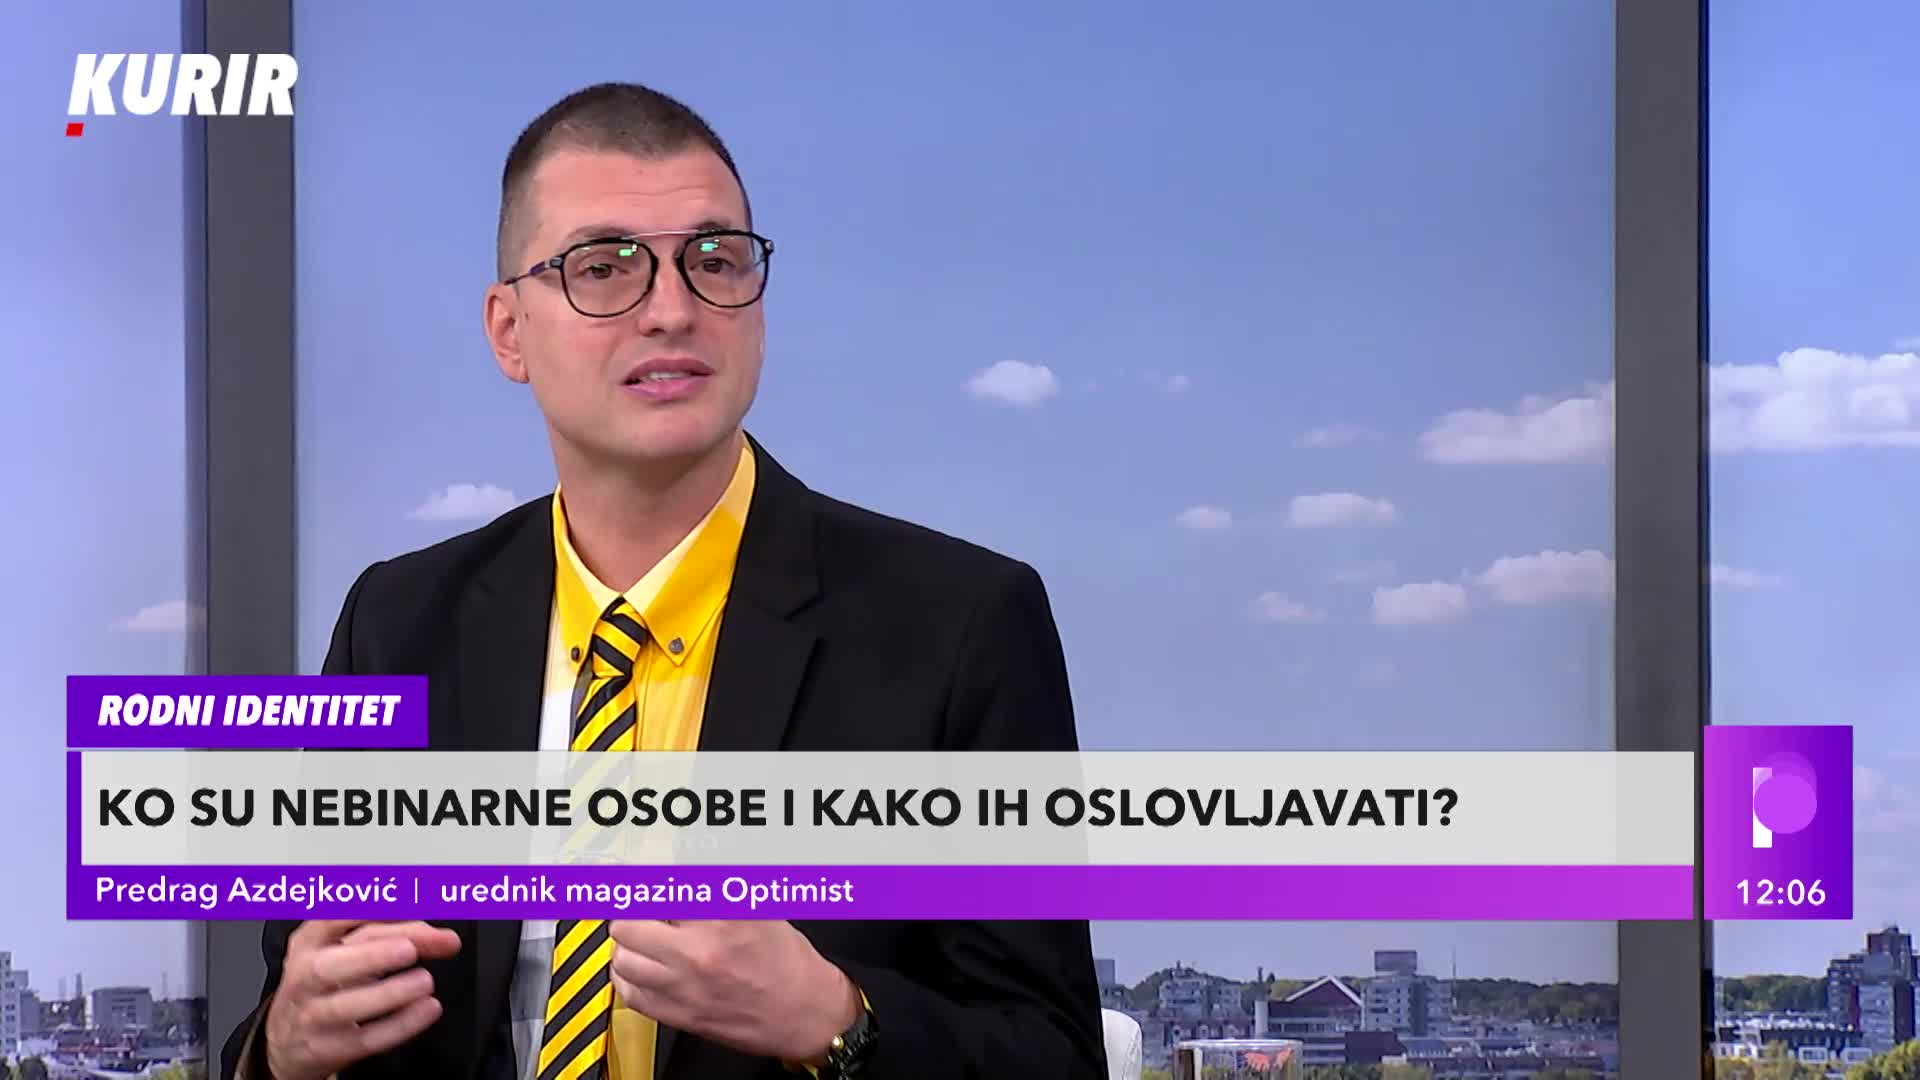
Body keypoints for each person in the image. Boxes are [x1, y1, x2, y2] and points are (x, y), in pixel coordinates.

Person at [218, 82, 1106, 1080]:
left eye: (714, 260)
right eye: (604, 267)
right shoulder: (397, 625)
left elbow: (1055, 1057)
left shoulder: (958, 627)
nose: (674, 310)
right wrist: (280, 1051)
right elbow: (289, 1009)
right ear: (509, 330)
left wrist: (835, 1020)